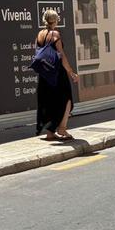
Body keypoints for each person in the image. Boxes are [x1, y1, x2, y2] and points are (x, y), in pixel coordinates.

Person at [35, 9, 78, 141]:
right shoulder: (55, 35)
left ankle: (50, 133)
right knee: (67, 100)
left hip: (44, 74)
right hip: (57, 74)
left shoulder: (40, 34)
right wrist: (71, 72)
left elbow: (37, 53)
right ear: (56, 20)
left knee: (49, 101)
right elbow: (62, 56)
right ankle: (62, 129)